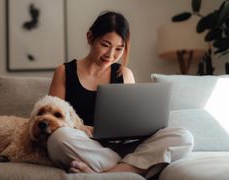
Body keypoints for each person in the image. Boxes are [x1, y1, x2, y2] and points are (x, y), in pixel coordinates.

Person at [47, 11, 194, 178]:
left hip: (122, 145)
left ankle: (105, 174)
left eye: (119, 48)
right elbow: (52, 121)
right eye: (105, 45)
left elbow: (133, 121)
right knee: (58, 139)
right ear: (90, 38)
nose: (111, 55)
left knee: (183, 137)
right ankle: (129, 168)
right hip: (86, 144)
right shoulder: (64, 72)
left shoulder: (124, 74)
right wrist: (82, 128)